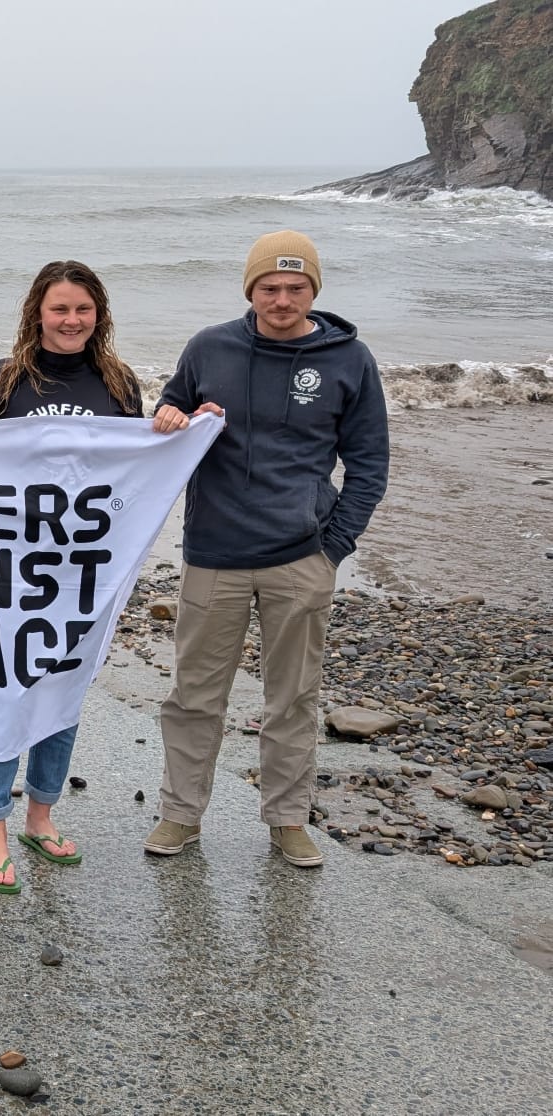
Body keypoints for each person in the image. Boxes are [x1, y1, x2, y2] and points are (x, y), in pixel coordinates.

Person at [146, 230, 389, 868]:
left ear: (314, 290)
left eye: (295, 287)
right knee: (194, 697)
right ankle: (179, 815)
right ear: (250, 289)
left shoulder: (349, 358)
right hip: (213, 554)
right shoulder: (209, 347)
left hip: (300, 557)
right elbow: (172, 410)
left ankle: (287, 820)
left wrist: (332, 547)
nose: (282, 299)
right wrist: (170, 413)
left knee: (294, 698)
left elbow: (369, 464)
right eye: (269, 287)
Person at [0, 260, 144, 893]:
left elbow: (137, 470)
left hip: (83, 568)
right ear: (37, 312)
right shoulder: (2, 380)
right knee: (4, 692)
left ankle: (41, 814)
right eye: (59, 309)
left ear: (98, 315)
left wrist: (174, 428)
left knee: (64, 691)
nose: (71, 320)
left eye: (83, 310)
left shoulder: (118, 382)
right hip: (6, 568)